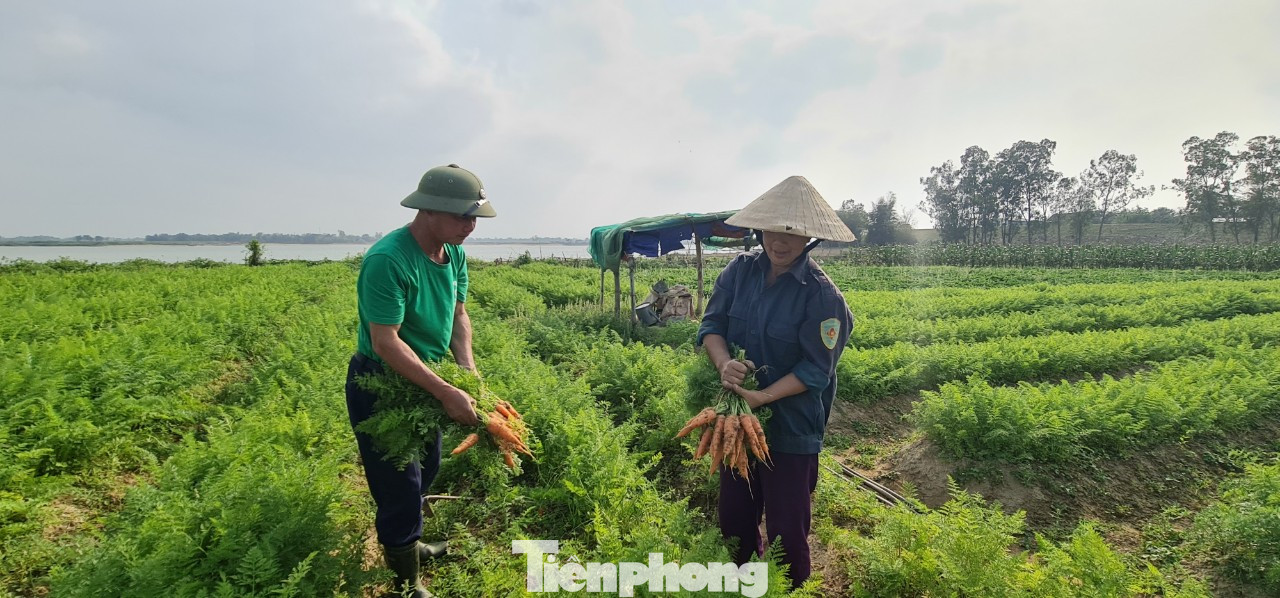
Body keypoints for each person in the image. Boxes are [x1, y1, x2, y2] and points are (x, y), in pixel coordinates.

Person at [344, 163, 497, 597]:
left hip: (427, 378)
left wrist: (466, 372)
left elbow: (458, 317)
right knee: (399, 484)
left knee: (426, 467)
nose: (470, 226)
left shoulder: (454, 254)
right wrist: (446, 390)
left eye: (474, 217)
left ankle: (411, 543)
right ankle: (406, 581)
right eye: (462, 216)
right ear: (428, 211)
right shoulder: (388, 260)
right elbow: (386, 342)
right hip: (382, 383)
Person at [696, 175, 856, 589]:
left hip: (791, 427)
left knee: (787, 530)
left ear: (810, 238)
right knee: (734, 522)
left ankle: (791, 589)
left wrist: (762, 396)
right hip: (737, 424)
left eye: (792, 233)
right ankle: (742, 585)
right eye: (772, 231)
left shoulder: (823, 297)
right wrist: (724, 363)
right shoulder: (740, 272)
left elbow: (816, 369)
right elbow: (711, 326)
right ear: (759, 228)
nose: (779, 242)